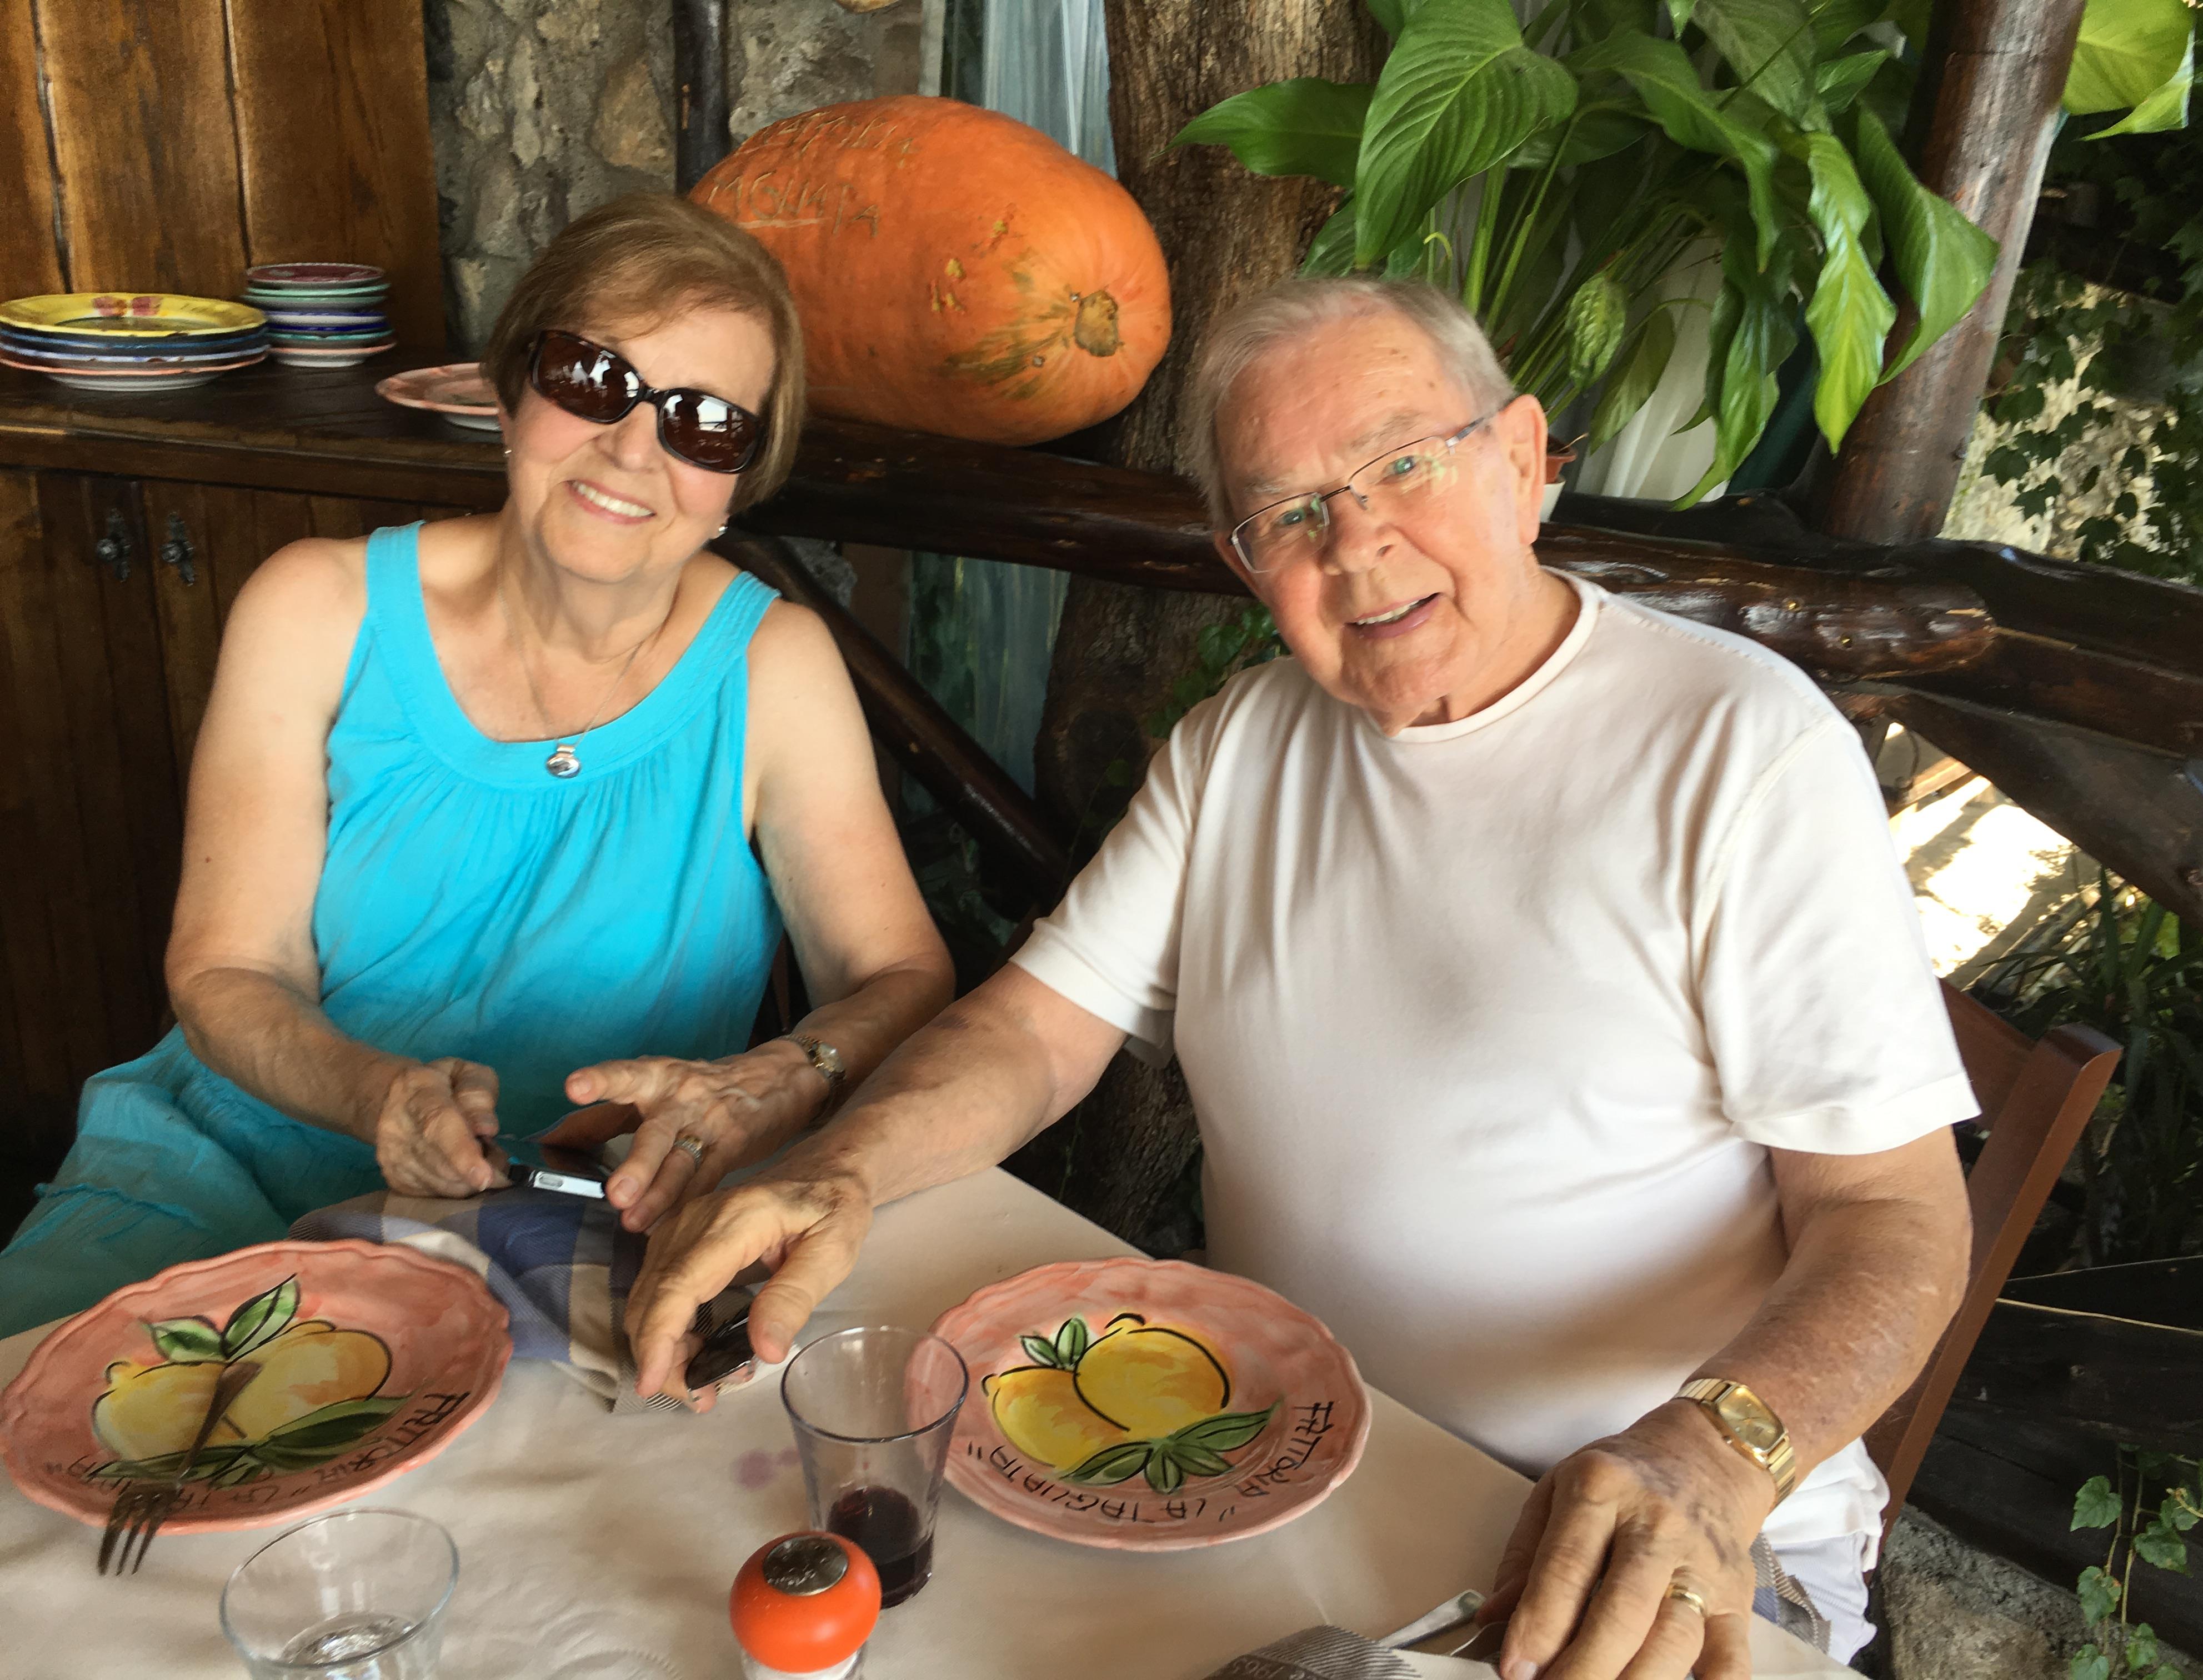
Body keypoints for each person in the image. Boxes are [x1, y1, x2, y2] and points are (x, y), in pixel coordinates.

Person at [622, 276, 1975, 1674]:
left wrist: (1714, 1454)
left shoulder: (1743, 750)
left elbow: (1895, 1217)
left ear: (1522, 461)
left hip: (1649, 1534)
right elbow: (1034, 1032)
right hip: (1296, 1483)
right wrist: (839, 1171)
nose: (1360, 544)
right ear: (1245, 560)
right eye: (1290, 515)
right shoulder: (1241, 742)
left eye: (1405, 464)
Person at [0, 194, 953, 1342]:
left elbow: (899, 973)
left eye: (704, 423)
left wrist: (784, 1075)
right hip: (223, 1175)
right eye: (591, 378)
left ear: (738, 486)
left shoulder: (773, 665)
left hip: (577, 1218)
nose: (633, 448)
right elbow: (225, 968)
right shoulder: (317, 607)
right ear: (508, 392)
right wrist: (377, 1098)